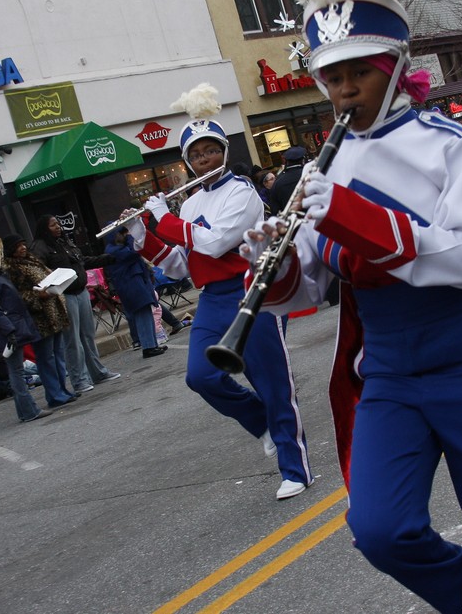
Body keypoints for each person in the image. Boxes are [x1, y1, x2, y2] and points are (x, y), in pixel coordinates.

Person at [245, 0, 462, 608]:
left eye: (360, 70)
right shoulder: (318, 174)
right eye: (333, 76)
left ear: (392, 67)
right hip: (385, 369)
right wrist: (273, 262)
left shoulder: (448, 144)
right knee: (380, 530)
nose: (345, 89)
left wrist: (349, 215)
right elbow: (305, 290)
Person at [120, 82, 312, 500]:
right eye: (195, 154)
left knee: (272, 382)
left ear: (224, 151)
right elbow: (181, 264)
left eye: (210, 150)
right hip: (211, 301)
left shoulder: (242, 193)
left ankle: (294, 466)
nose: (203, 158)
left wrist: (163, 221)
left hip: (252, 292)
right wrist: (142, 233)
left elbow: (214, 242)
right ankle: (261, 423)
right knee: (200, 376)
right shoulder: (187, 204)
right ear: (186, 162)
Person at [31, 215, 121, 394]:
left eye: (58, 223)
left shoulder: (65, 242)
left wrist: (107, 258)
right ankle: (79, 379)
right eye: (53, 224)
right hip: (64, 296)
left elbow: (83, 261)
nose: (58, 227)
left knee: (87, 335)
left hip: (81, 292)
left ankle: (98, 372)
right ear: (45, 228)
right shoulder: (40, 247)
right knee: (72, 340)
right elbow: (37, 272)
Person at [0, 235, 53, 423]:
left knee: (16, 371)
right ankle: (28, 410)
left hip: (10, 330)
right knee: (16, 372)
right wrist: (9, 331)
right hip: (9, 332)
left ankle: (26, 410)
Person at [2, 234, 78, 408]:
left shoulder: (32, 260)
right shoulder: (11, 268)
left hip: (53, 313)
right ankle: (54, 394)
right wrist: (38, 295)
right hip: (38, 318)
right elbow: (18, 295)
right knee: (46, 358)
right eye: (18, 246)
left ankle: (63, 390)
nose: (22, 248)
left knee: (58, 354)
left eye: (23, 244)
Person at [104, 228, 167, 358]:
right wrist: (130, 238)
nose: (125, 235)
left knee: (146, 314)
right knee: (142, 315)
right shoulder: (113, 250)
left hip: (136, 283)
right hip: (130, 285)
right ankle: (148, 347)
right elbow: (133, 252)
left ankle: (152, 344)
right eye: (122, 233)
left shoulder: (118, 247)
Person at [267, 146, 307, 214]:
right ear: (303, 159)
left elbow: (275, 210)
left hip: (291, 221)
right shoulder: (309, 174)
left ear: (286, 161)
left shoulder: (277, 182)